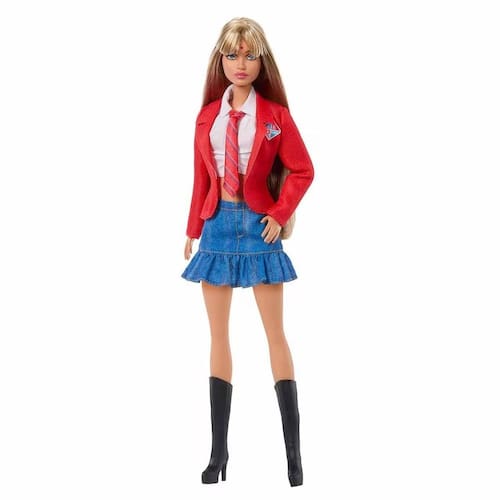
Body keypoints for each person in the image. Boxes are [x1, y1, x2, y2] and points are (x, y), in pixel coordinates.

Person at [181, 17, 314, 487]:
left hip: (260, 228)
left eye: (250, 55)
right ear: (220, 59)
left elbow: (302, 169)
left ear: (262, 61)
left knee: (275, 335)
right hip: (217, 227)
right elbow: (201, 178)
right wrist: (192, 228)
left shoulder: (275, 117)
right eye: (233, 54)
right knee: (218, 336)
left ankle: (294, 456)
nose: (241, 63)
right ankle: (218, 453)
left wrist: (279, 212)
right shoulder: (208, 117)